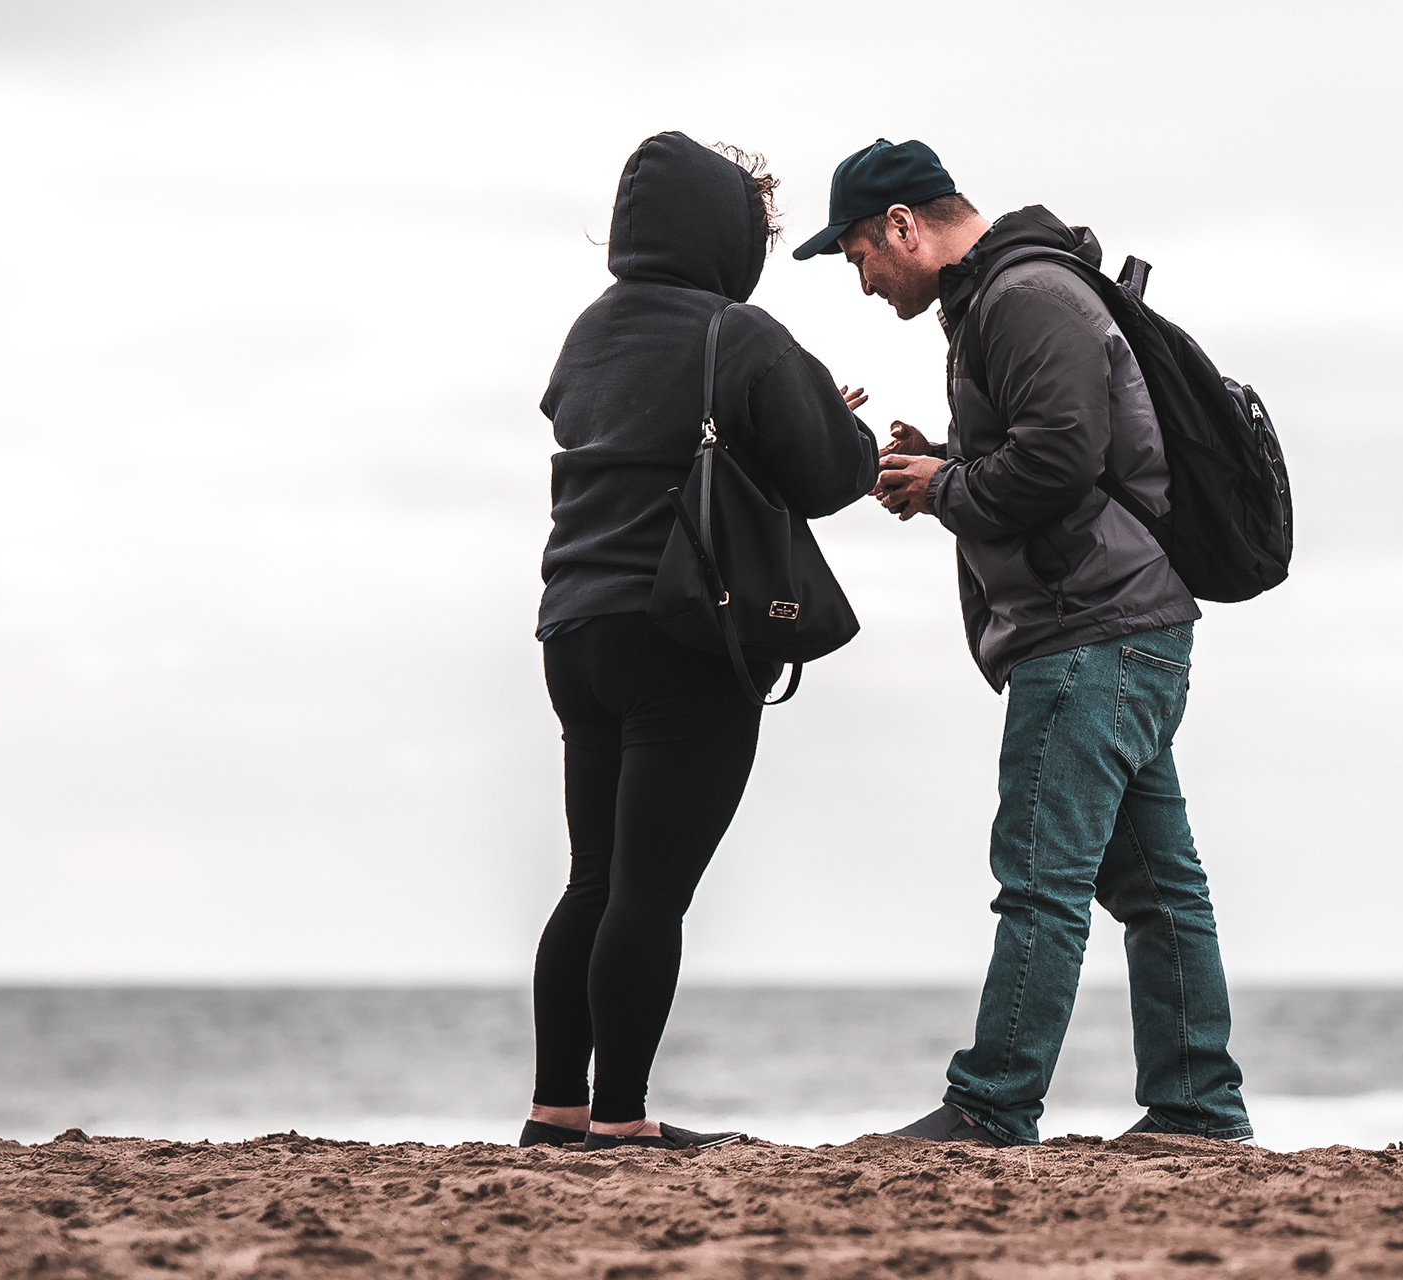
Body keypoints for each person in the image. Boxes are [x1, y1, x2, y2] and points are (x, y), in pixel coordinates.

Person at [795, 139, 1253, 1147]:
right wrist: (943, 461)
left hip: (1088, 629)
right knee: (1156, 887)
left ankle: (992, 1104)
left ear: (903, 226)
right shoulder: (1009, 295)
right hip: (1123, 621)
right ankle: (1199, 1109)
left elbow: (1059, 460)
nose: (864, 283)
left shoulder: (1023, 296)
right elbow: (1057, 450)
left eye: (859, 257)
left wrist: (943, 488)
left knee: (1042, 879)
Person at [523, 132, 878, 1152]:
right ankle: (624, 1118)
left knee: (594, 877)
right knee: (651, 890)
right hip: (683, 628)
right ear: (724, 234)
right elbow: (831, 474)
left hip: (573, 627)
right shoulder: (742, 333)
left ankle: (557, 1108)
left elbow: (631, 429)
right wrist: (838, 424)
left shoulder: (588, 333)